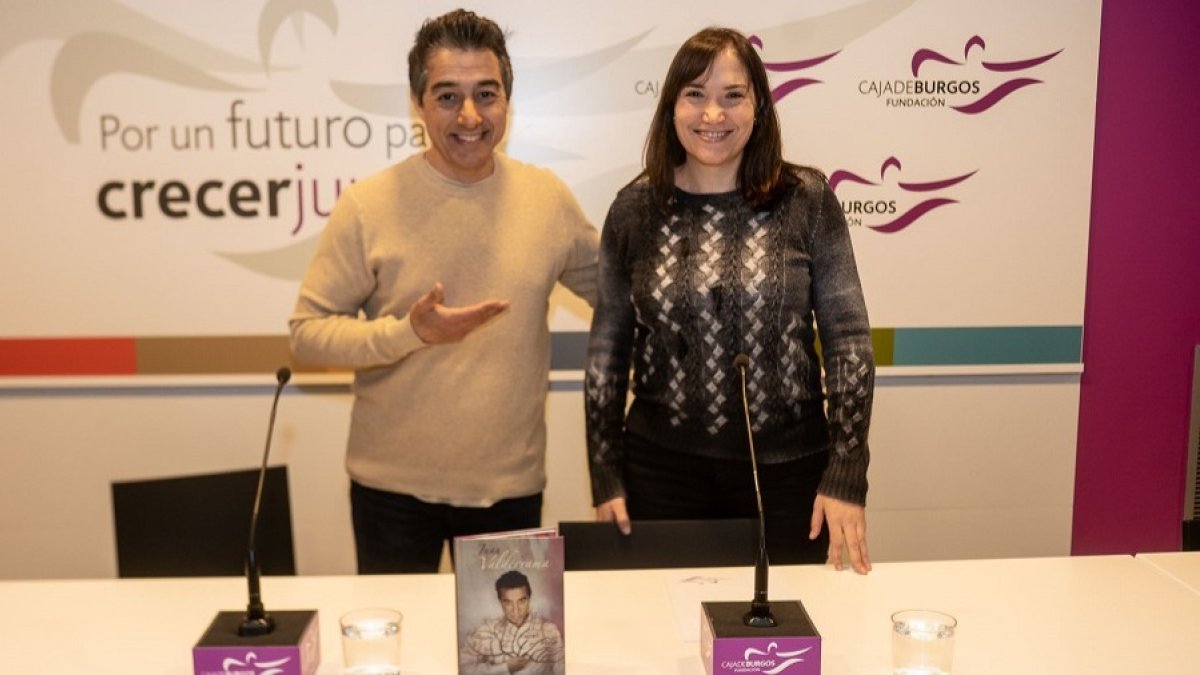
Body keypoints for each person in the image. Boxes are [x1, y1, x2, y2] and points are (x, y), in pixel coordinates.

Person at [289, 9, 599, 574]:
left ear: (508, 98)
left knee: (512, 660)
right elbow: (307, 336)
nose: (471, 116)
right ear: (417, 102)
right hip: (391, 493)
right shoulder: (368, 204)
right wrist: (409, 333)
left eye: (487, 93)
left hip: (510, 489)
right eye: (448, 96)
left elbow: (621, 294)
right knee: (395, 659)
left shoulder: (547, 199)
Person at [584, 27, 874, 574]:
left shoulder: (808, 201)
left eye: (732, 96)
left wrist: (846, 474)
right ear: (671, 106)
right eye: (695, 94)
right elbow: (606, 351)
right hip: (661, 478)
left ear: (759, 107)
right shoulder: (633, 210)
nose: (712, 114)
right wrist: (605, 473)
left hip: (789, 479)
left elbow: (849, 345)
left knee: (789, 641)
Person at [460, 570, 565, 674]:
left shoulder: (549, 631)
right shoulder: (485, 631)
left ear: (529, 599)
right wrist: (505, 667)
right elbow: (462, 667)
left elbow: (562, 670)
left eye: (521, 601)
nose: (516, 610)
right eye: (508, 602)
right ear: (500, 602)